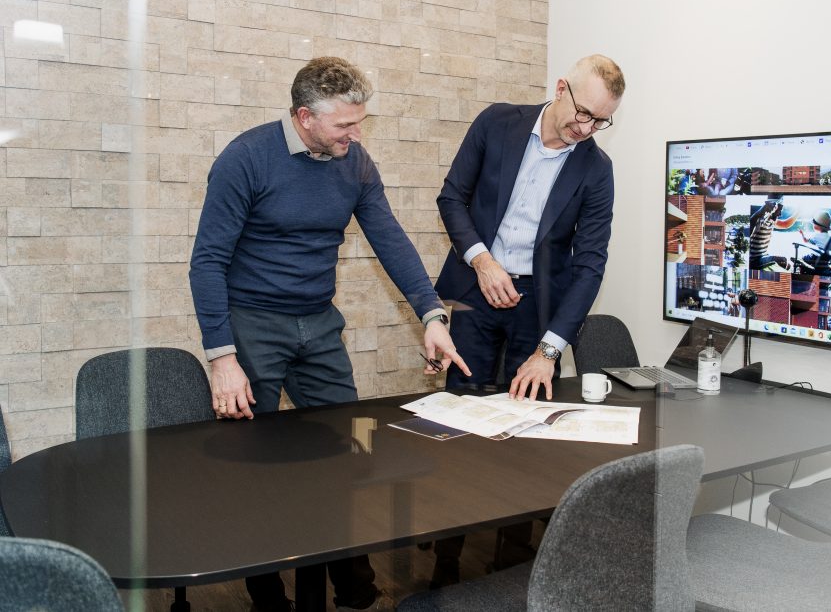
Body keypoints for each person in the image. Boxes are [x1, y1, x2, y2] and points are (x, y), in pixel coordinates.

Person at [188, 56, 469, 612]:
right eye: (344, 124)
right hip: (252, 322)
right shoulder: (246, 158)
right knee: (251, 459)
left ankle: (351, 575)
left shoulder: (354, 161)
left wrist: (432, 315)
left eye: (359, 122)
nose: (355, 134)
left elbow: (390, 238)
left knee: (352, 442)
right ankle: (266, 590)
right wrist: (222, 357)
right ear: (304, 117)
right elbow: (208, 261)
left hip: (318, 322)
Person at [431, 54, 625, 587]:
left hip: (539, 306)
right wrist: (482, 260)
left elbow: (590, 264)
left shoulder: (597, 169)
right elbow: (452, 198)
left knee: (528, 433)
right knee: (461, 423)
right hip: (477, 288)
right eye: (582, 113)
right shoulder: (497, 121)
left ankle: (512, 566)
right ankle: (446, 561)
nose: (586, 128)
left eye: (600, 121)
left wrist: (549, 350)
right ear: (561, 88)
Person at [748, 199, 791, 271]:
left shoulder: (772, 221)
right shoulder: (761, 219)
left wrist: (798, 212)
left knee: (788, 264)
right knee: (783, 261)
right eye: (779, 210)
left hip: (764, 256)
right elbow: (752, 222)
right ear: (774, 208)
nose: (780, 214)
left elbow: (785, 224)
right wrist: (763, 209)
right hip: (755, 260)